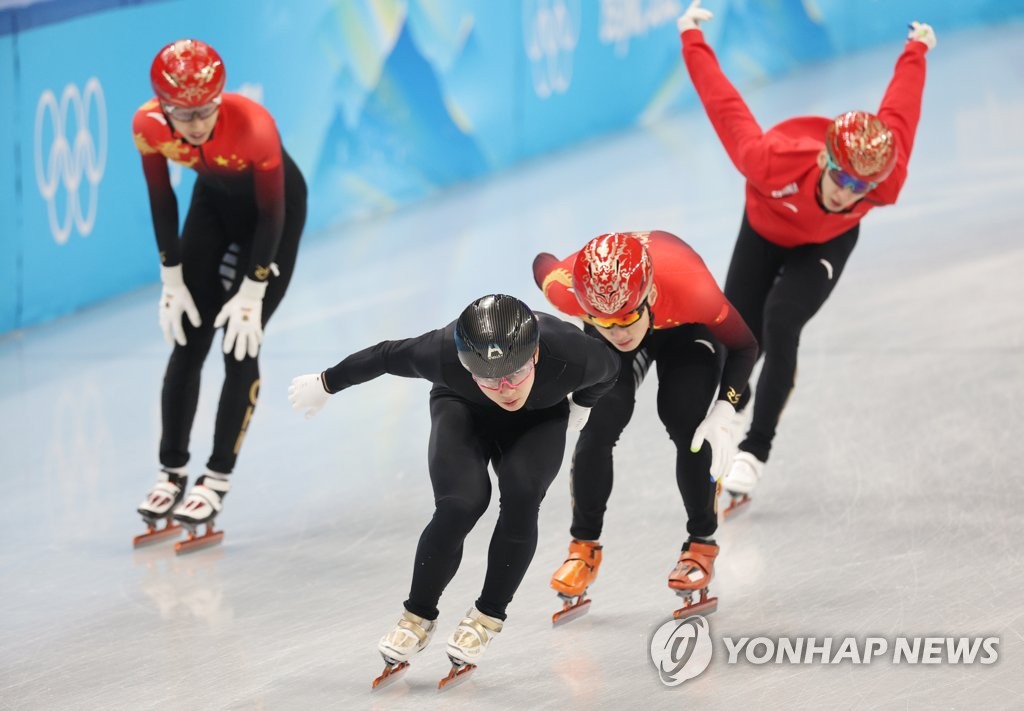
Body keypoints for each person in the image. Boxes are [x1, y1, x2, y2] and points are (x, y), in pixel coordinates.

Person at [676, 1, 936, 503]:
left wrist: (917, 47)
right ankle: (726, 424)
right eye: (840, 176)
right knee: (737, 345)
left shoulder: (883, 183)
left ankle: (756, 450)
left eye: (861, 186)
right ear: (824, 158)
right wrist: (691, 37)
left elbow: (900, 111)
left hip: (824, 243)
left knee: (781, 320)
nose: (846, 192)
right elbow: (724, 104)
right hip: (763, 232)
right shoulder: (769, 160)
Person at [287, 294, 619, 687]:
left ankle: (487, 616)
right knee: (459, 505)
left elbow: (610, 371)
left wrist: (583, 403)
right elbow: (383, 355)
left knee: (522, 495)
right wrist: (325, 383)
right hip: (462, 407)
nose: (506, 388)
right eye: (490, 378)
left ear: (535, 357)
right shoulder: (441, 353)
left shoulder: (572, 354)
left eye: (515, 373)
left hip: (539, 418)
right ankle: (417, 617)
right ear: (466, 366)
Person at [132, 39, 307, 552]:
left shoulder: (253, 124)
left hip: (271, 219)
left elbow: (273, 213)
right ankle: (172, 472)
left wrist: (254, 287)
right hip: (212, 205)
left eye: (205, 110)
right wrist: (171, 276)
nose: (196, 124)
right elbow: (161, 197)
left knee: (238, 343)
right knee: (187, 340)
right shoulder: (146, 128)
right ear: (163, 107)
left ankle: (216, 478)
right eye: (183, 114)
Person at [532, 231, 758, 621]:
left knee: (684, 418)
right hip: (632, 304)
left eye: (625, 321)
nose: (618, 334)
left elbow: (745, 346)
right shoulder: (565, 289)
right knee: (599, 424)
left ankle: (701, 545)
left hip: (685, 327)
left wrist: (725, 408)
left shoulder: (694, 290)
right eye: (603, 322)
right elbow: (542, 261)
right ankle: (582, 549)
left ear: (649, 296)